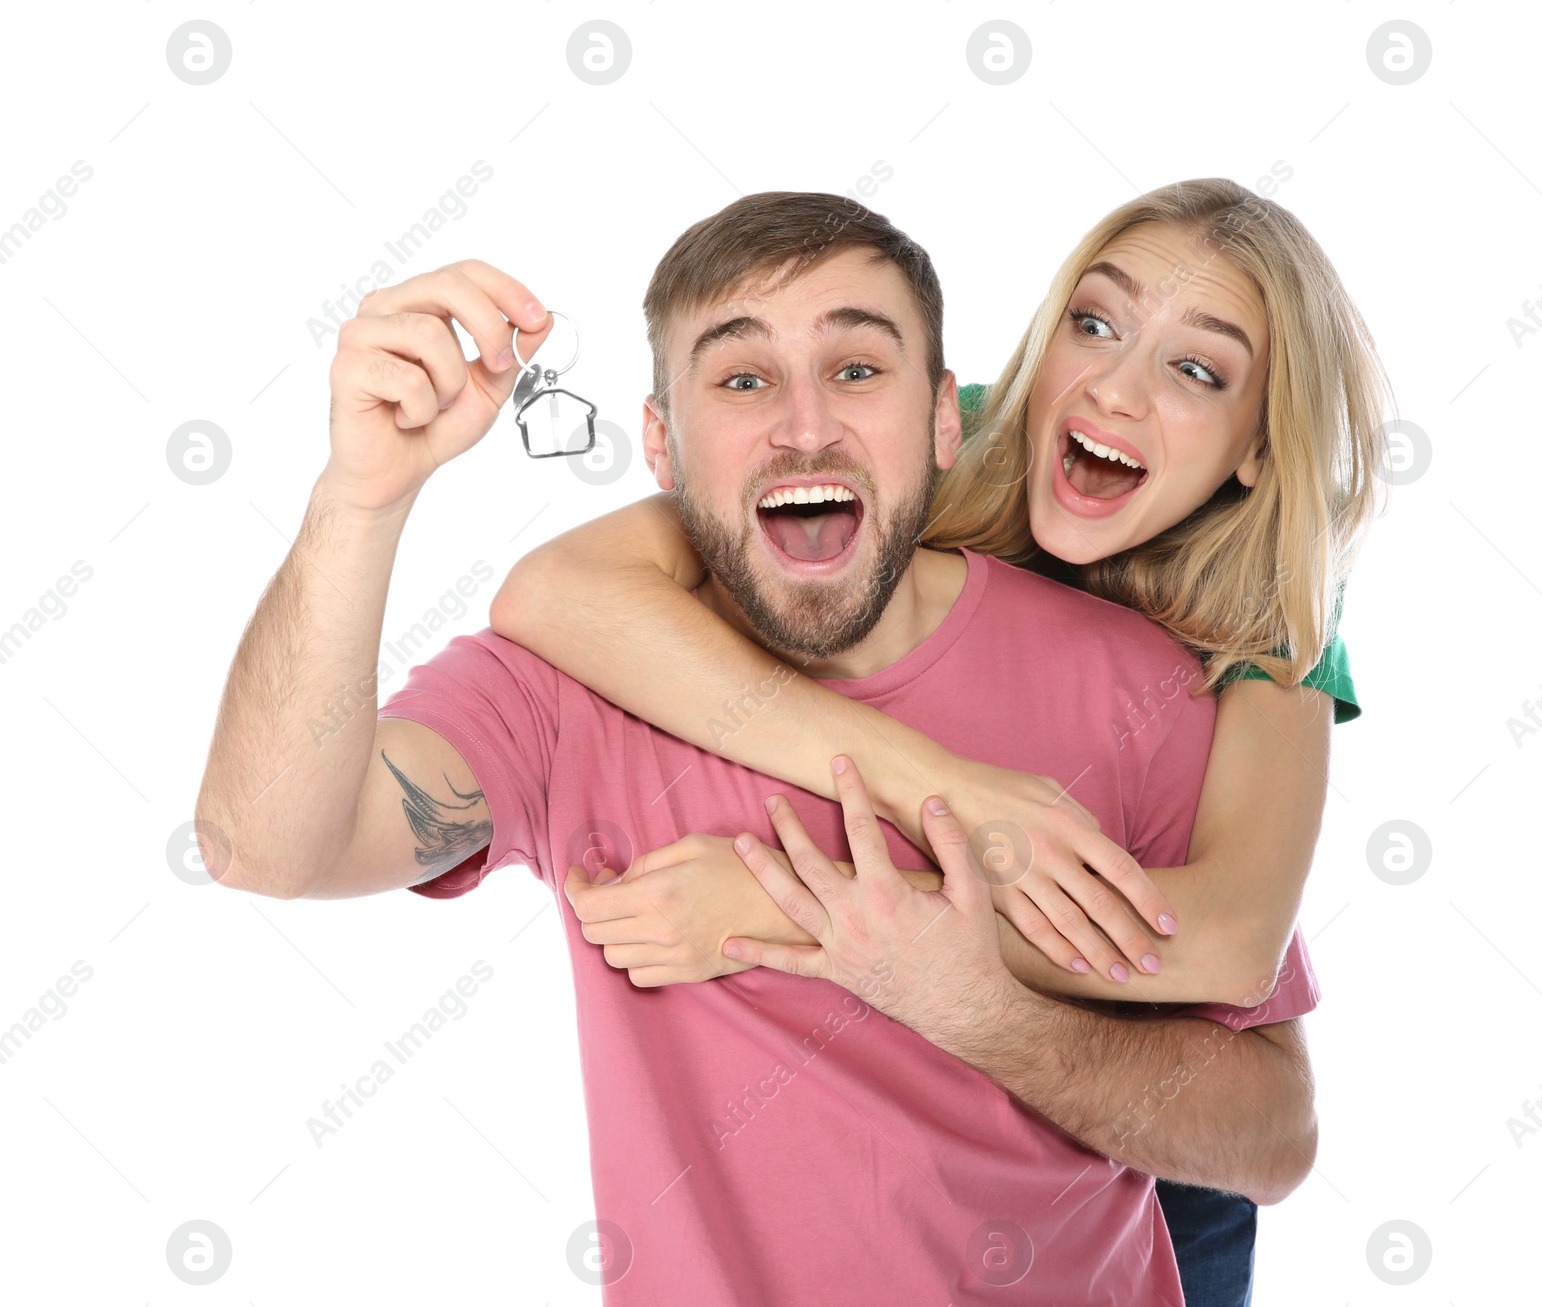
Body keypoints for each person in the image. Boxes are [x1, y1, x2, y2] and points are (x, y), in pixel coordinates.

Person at [195, 193, 1318, 1305]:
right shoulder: (572, 672)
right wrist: (360, 498)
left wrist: (937, 977)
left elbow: (1266, 1114)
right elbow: (265, 845)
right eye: (740, 379)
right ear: (659, 444)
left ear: (941, 418)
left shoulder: (1196, 669)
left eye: (856, 369)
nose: (804, 423)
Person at [486, 178, 1388, 1306]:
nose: (1114, 389)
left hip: (1151, 1145)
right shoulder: (924, 430)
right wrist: (948, 790)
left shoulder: (1272, 618)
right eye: (1093, 323)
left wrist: (800, 911)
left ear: (1259, 445)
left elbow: (1220, 944)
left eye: (1195, 369)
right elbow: (559, 589)